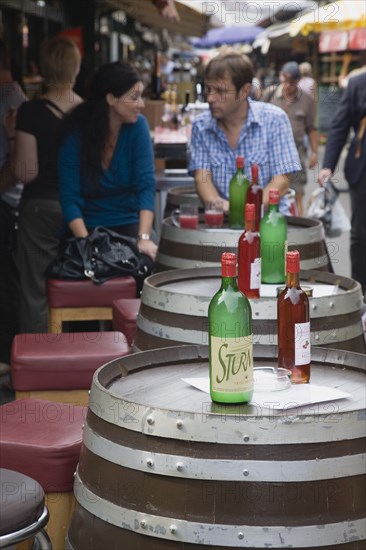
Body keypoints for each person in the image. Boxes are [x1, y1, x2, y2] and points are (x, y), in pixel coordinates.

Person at [10, 36, 82, 333]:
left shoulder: (30, 112)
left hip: (41, 210)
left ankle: (41, 369)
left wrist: (12, 135)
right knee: (79, 286)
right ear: (75, 69)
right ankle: (82, 362)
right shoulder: (89, 112)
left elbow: (26, 172)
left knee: (35, 292)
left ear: (41, 68)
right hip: (81, 211)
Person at [58, 61, 157, 262]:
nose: (142, 104)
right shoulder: (76, 133)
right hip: (85, 227)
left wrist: (144, 237)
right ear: (111, 99)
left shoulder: (138, 126)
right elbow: (69, 197)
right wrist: (86, 243)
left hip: (130, 224)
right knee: (83, 269)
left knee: (149, 263)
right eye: (134, 97)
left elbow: (146, 186)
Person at [189, 52, 301, 213]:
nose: (211, 98)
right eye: (208, 89)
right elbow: (202, 178)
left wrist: (246, 211)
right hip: (222, 220)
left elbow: (282, 180)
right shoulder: (201, 126)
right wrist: (221, 206)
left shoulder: (274, 120)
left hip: (268, 222)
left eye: (220, 91)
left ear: (244, 91)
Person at [318, 72, 366, 295]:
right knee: (361, 234)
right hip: (363, 169)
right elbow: (340, 125)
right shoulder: (358, 83)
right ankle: (362, 293)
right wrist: (328, 165)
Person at [0, 37, 27, 366]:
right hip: (14, 204)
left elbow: (17, 169)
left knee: (7, 283)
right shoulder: (18, 99)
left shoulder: (10, 101)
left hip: (7, 206)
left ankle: (7, 357)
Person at [262, 61, 318, 216]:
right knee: (273, 191)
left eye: (292, 82)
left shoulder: (306, 100)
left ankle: (298, 227)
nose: (288, 85)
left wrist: (314, 152)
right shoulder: (270, 94)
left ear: (298, 81)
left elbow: (311, 128)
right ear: (280, 77)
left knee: (297, 193)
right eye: (285, 80)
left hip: (296, 152)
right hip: (271, 152)